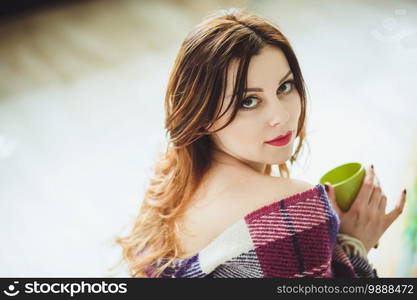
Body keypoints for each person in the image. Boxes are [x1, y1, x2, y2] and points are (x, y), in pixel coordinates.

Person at [115, 8, 407, 278]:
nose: (280, 116)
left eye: (284, 87)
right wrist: (354, 247)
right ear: (201, 115)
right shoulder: (294, 208)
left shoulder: (171, 181)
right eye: (249, 101)